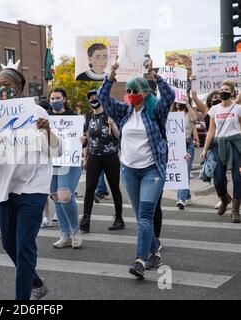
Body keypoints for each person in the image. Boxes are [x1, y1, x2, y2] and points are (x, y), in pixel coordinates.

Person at [0, 67, 61, 300]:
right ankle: (36, 282)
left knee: (24, 245)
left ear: (19, 88)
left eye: (6, 84)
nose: (1, 88)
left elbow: (57, 150)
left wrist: (47, 132)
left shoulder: (37, 112)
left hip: (33, 187)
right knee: (8, 243)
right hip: (5, 189)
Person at [99, 57, 176, 279]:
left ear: (144, 92)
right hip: (129, 170)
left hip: (152, 170)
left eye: (135, 89)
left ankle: (140, 260)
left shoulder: (155, 112)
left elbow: (169, 96)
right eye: (128, 89)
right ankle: (155, 250)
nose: (131, 93)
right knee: (140, 215)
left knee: (144, 215)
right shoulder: (123, 112)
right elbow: (104, 98)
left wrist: (153, 74)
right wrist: (111, 74)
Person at [81, 89, 124, 233]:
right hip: (94, 156)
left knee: (114, 187)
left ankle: (119, 218)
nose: (93, 99)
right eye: (91, 98)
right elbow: (87, 138)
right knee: (89, 188)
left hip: (110, 156)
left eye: (96, 97)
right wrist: (84, 156)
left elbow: (119, 136)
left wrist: (112, 125)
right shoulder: (88, 116)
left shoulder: (110, 114)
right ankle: (86, 219)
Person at [200, 80, 241, 223]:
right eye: (222, 89)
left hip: (236, 144)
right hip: (219, 144)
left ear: (232, 93)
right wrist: (205, 149)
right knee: (218, 178)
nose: (223, 91)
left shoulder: (238, 108)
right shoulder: (214, 109)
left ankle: (235, 210)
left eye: (227, 90)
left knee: (238, 177)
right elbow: (211, 131)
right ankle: (225, 199)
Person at [48, 88, 83, 249]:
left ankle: (75, 231)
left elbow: (83, 138)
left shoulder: (75, 118)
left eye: (58, 98)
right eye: (52, 98)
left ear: (65, 99)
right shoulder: (45, 118)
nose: (55, 101)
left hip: (69, 160)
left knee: (65, 195)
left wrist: (83, 139)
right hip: (51, 160)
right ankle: (64, 234)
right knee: (55, 196)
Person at [171, 102, 198, 210]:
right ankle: (188, 195)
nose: (178, 102)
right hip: (176, 145)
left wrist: (187, 104)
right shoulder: (172, 113)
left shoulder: (189, 113)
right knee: (180, 171)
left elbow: (194, 118)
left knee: (185, 171)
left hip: (187, 144)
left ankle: (181, 198)